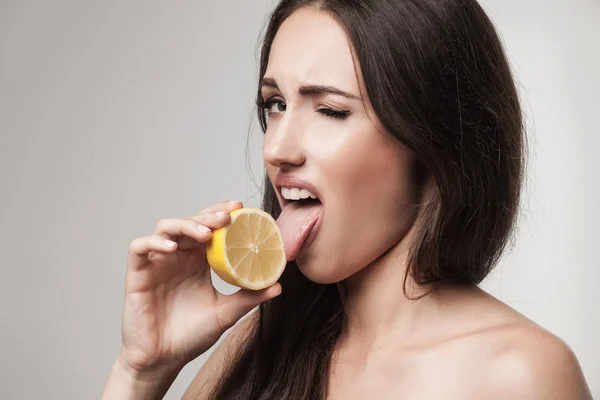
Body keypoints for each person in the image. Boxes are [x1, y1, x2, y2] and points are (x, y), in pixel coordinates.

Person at [102, 0, 592, 399]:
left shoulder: (521, 374)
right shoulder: (260, 344)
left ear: (429, 139)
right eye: (276, 104)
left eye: (330, 110)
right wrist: (142, 371)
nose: (276, 149)